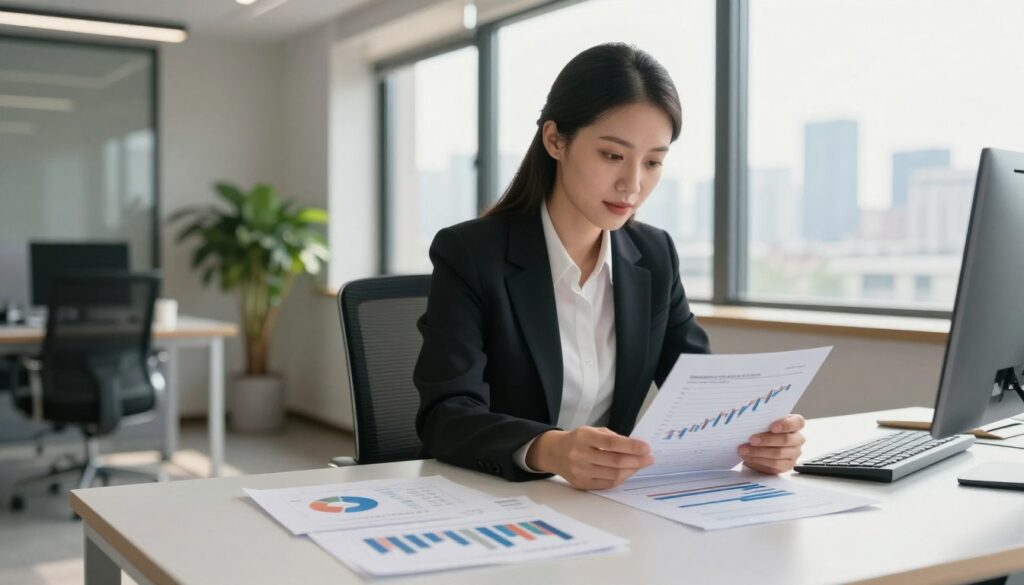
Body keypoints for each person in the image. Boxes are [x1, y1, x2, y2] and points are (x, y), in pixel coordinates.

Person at [414, 42, 805, 489]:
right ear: (555, 140)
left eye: (653, 162)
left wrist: (758, 438)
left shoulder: (654, 256)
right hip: (493, 498)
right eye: (613, 155)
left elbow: (703, 393)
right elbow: (446, 416)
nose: (633, 185)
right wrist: (549, 449)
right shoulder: (470, 252)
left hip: (606, 504)